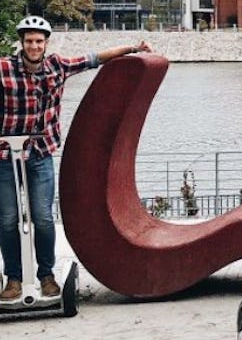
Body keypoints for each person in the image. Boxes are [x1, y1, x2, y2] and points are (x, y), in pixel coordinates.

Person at [0, 15, 152, 301]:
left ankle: (46, 275)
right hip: (5, 155)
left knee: (43, 218)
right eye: (29, 41)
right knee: (8, 220)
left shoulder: (57, 65)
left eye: (39, 41)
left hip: (40, 154)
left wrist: (132, 48)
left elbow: (95, 58)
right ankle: (14, 279)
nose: (34, 46)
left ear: (46, 44)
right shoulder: (4, 69)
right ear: (21, 43)